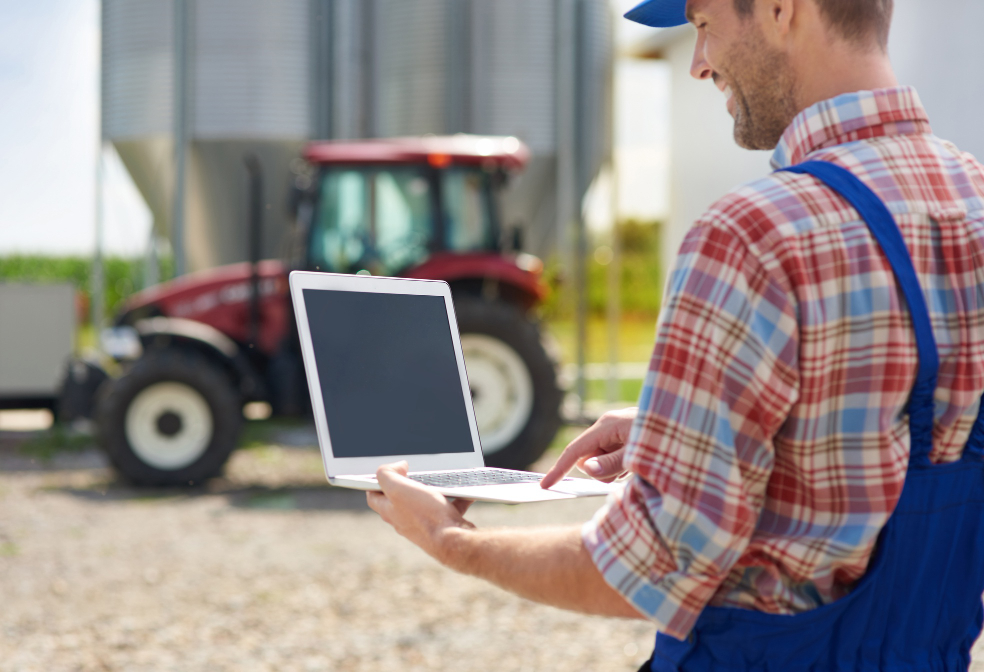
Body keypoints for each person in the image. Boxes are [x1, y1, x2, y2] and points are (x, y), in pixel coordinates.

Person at [367, 0, 984, 669]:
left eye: (703, 24)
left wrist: (453, 540)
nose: (697, 64)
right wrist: (691, 429)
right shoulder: (972, 198)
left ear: (781, 10)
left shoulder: (752, 237)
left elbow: (650, 564)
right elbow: (902, 424)